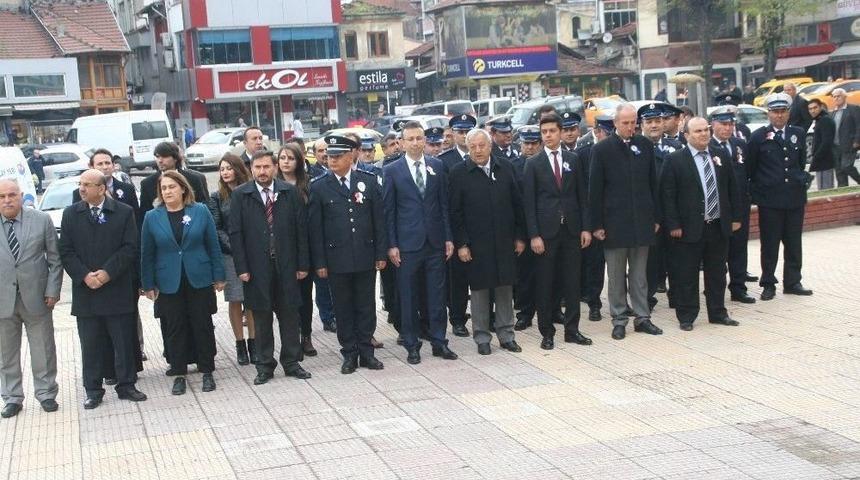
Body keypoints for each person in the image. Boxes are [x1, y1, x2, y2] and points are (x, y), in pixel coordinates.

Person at [59, 169, 147, 408]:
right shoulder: (71, 214)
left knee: (123, 341)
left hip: (116, 288)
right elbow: (65, 251)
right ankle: (93, 390)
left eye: (88, 184)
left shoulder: (123, 212)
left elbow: (130, 248)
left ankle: (126, 385)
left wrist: (107, 273)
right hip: (86, 291)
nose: (82, 188)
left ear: (101, 188)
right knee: (91, 345)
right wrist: (85, 275)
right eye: (81, 184)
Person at [229, 151, 312, 384]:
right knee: (261, 317)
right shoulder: (240, 195)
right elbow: (236, 235)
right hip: (256, 268)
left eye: (267, 166)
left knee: (289, 315)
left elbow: (301, 230)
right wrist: (242, 268)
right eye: (258, 167)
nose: (262, 171)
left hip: (287, 265)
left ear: (275, 167)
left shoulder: (289, 192)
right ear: (251, 169)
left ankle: (292, 362)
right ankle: (264, 365)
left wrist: (303, 264)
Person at [309, 135, 387, 373]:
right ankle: (349, 353)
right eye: (330, 156)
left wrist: (380, 253)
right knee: (343, 307)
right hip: (336, 259)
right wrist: (320, 262)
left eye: (338, 156)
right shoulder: (319, 186)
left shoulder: (368, 181)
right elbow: (316, 229)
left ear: (351, 156)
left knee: (365, 306)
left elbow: (379, 221)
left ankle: (366, 351)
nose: (332, 160)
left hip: (364, 254)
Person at [141, 171, 224, 395]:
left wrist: (219, 275)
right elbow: (147, 252)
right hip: (168, 281)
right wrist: (148, 283)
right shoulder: (152, 216)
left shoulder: (200, 211)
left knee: (202, 324)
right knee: (174, 328)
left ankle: (207, 370)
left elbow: (213, 245)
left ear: (183, 189)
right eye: (164, 188)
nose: (167, 191)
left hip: (198, 276)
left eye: (171, 187)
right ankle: (179, 373)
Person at [383, 121, 457, 364]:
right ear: (402, 143)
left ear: (425, 140)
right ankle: (412, 344)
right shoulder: (392, 170)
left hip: (435, 242)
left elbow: (443, 205)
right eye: (410, 139)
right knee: (409, 296)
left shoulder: (437, 166)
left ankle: (439, 342)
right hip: (407, 245)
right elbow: (389, 211)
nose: (415, 142)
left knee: (437, 296)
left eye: (419, 138)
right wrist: (392, 244)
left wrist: (448, 237)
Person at [589, 104, 663, 340]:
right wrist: (597, 224)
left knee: (640, 275)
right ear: (616, 123)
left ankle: (642, 317)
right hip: (614, 224)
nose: (630, 127)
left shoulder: (644, 146)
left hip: (642, 221)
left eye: (633, 123)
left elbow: (654, 185)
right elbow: (595, 190)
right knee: (617, 275)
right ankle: (619, 318)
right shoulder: (602, 150)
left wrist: (656, 217)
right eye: (626, 123)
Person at [662, 118, 743, 331]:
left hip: (717, 225)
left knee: (717, 273)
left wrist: (735, 218)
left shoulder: (720, 155)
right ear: (686, 135)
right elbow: (667, 196)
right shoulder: (675, 160)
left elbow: (732, 188)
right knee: (687, 274)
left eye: (706, 130)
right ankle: (687, 316)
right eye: (697, 131)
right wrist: (673, 225)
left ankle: (718, 313)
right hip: (689, 228)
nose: (704, 134)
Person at [449, 128, 525, 355]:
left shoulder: (506, 168)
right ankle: (482, 337)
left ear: (490, 146)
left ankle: (506, 335)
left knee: (504, 288)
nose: (478, 150)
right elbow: (455, 212)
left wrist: (520, 237)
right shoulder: (459, 173)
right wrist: (461, 244)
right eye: (473, 147)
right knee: (480, 291)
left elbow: (517, 205)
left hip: (504, 240)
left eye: (482, 146)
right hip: (476, 244)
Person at [522, 113, 592, 350]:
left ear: (561, 132)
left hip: (571, 230)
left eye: (552, 131)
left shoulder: (574, 159)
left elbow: (583, 196)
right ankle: (547, 332)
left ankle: (572, 330)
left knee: (572, 282)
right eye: (544, 132)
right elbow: (528, 203)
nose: (548, 135)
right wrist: (534, 235)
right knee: (545, 283)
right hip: (545, 234)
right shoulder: (533, 164)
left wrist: (585, 228)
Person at [0, 179, 61, 418]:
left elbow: (55, 259)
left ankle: (46, 393)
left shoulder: (41, 220)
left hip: (37, 297)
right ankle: (12, 397)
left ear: (21, 195)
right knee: (6, 353)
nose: (7, 200)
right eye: (2, 196)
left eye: (12, 195)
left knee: (43, 349)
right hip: (3, 300)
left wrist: (53, 290)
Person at [747, 93, 812, 300]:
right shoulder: (758, 136)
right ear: (769, 113)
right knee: (770, 244)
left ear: (788, 113)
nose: (779, 116)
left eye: (783, 111)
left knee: (793, 243)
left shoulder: (798, 133)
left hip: (794, 198)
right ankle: (768, 283)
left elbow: (800, 163)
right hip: (770, 201)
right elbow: (752, 168)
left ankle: (793, 281)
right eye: (775, 112)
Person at [209, 153, 258, 365]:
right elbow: (216, 227)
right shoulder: (216, 196)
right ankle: (240, 344)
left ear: (238, 169)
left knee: (253, 300)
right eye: (222, 169)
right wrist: (235, 247)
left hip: (253, 252)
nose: (226, 172)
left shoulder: (250, 190)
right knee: (235, 299)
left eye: (229, 168)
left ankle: (254, 343)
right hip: (229, 254)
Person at [638, 103, 681, 311]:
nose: (654, 125)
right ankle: (646, 299)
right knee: (649, 263)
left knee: (676, 259)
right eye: (649, 121)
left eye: (657, 121)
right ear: (642, 125)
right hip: (648, 217)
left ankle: (677, 297)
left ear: (664, 123)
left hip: (672, 214)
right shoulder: (636, 150)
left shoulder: (676, 147)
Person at [276, 144, 317, 357]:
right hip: (282, 248)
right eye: (282, 157)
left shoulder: (308, 184)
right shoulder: (273, 185)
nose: (286, 162)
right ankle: (291, 337)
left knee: (304, 296)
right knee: (286, 297)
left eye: (290, 158)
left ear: (298, 161)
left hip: (305, 246)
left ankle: (306, 336)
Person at [438, 114, 476, 337]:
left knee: (482, 276)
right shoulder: (444, 161)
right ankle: (458, 319)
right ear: (451, 134)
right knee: (458, 280)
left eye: (467, 131)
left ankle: (486, 316)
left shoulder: (484, 154)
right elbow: (444, 201)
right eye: (460, 132)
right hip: (456, 228)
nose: (464, 135)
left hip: (480, 227)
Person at [575, 115, 614, 322]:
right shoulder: (584, 153)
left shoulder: (619, 150)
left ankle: (621, 303)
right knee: (594, 265)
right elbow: (581, 193)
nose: (610, 137)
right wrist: (587, 224)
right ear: (597, 132)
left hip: (615, 219)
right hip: (593, 219)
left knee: (618, 266)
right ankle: (594, 304)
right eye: (607, 133)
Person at [512, 125, 541, 331]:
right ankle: (525, 313)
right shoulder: (512, 166)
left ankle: (553, 308)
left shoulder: (545, 163)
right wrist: (520, 235)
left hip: (546, 227)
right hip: (523, 228)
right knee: (525, 275)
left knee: (550, 272)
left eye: (533, 143)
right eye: (526, 143)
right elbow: (513, 203)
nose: (529, 147)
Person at [139, 142, 209, 219]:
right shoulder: (147, 183)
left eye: (164, 156)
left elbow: (203, 208)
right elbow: (144, 215)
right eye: (157, 157)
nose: (160, 160)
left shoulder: (193, 179)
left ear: (175, 158)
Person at [830, 88, 860, 187]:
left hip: (850, 144)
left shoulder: (854, 109)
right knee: (839, 172)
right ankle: (843, 191)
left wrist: (857, 140)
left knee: (846, 166)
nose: (836, 98)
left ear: (844, 96)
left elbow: (858, 125)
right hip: (835, 146)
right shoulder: (832, 113)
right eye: (834, 96)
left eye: (839, 96)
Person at [808, 98, 836, 191]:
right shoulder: (820, 119)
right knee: (822, 189)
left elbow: (826, 142)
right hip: (821, 161)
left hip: (825, 161)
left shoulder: (825, 120)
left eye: (815, 108)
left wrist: (816, 156)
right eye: (810, 109)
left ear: (820, 107)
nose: (812, 110)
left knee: (826, 190)